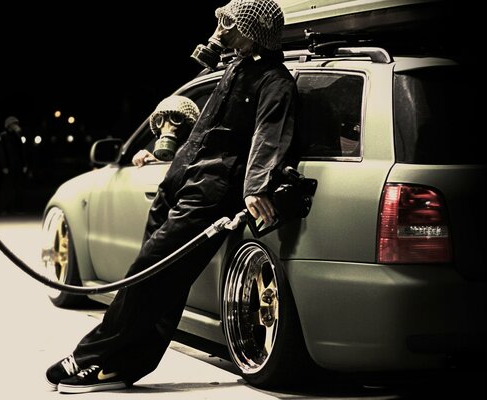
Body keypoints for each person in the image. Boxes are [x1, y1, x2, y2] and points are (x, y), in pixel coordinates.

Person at [46, 0, 298, 393]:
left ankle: (89, 356)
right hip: (179, 183)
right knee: (165, 283)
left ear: (250, 32)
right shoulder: (234, 69)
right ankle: (125, 366)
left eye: (229, 25)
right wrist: (164, 154)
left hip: (212, 192)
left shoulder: (275, 82)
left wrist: (255, 188)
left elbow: (269, 136)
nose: (220, 30)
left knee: (149, 272)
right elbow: (201, 127)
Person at [0, 116, 27, 214]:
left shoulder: (17, 136)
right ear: (9, 125)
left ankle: (17, 209)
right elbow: (2, 152)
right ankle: (5, 209)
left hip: (18, 166)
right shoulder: (3, 136)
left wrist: (24, 165)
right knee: (7, 188)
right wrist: (4, 166)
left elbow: (22, 151)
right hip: (9, 166)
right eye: (14, 123)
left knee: (18, 187)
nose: (16, 125)